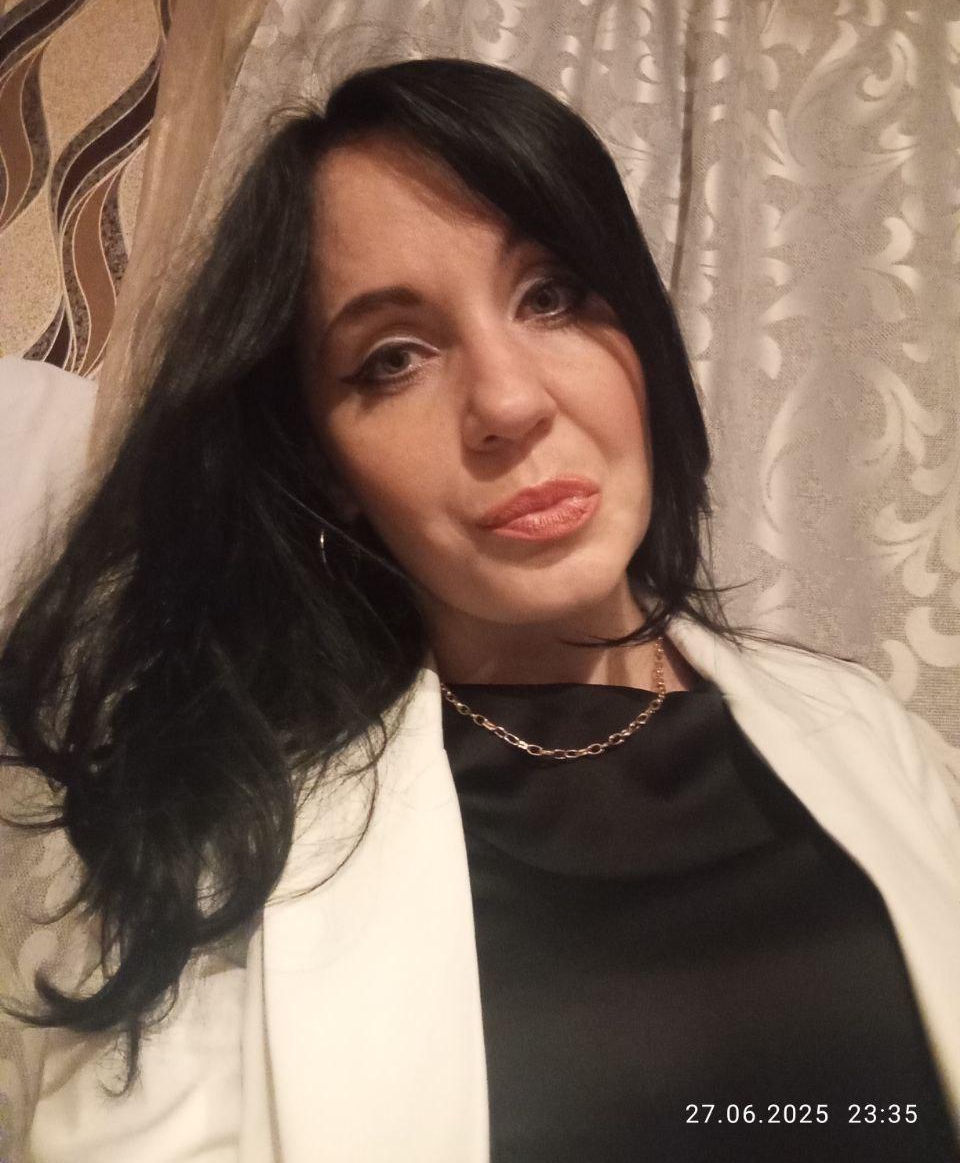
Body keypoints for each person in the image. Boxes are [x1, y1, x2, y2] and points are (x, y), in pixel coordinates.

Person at [1, 57, 958, 1163]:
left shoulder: (869, 733)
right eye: (392, 359)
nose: (507, 401)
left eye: (552, 295)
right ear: (328, 470)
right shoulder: (219, 851)